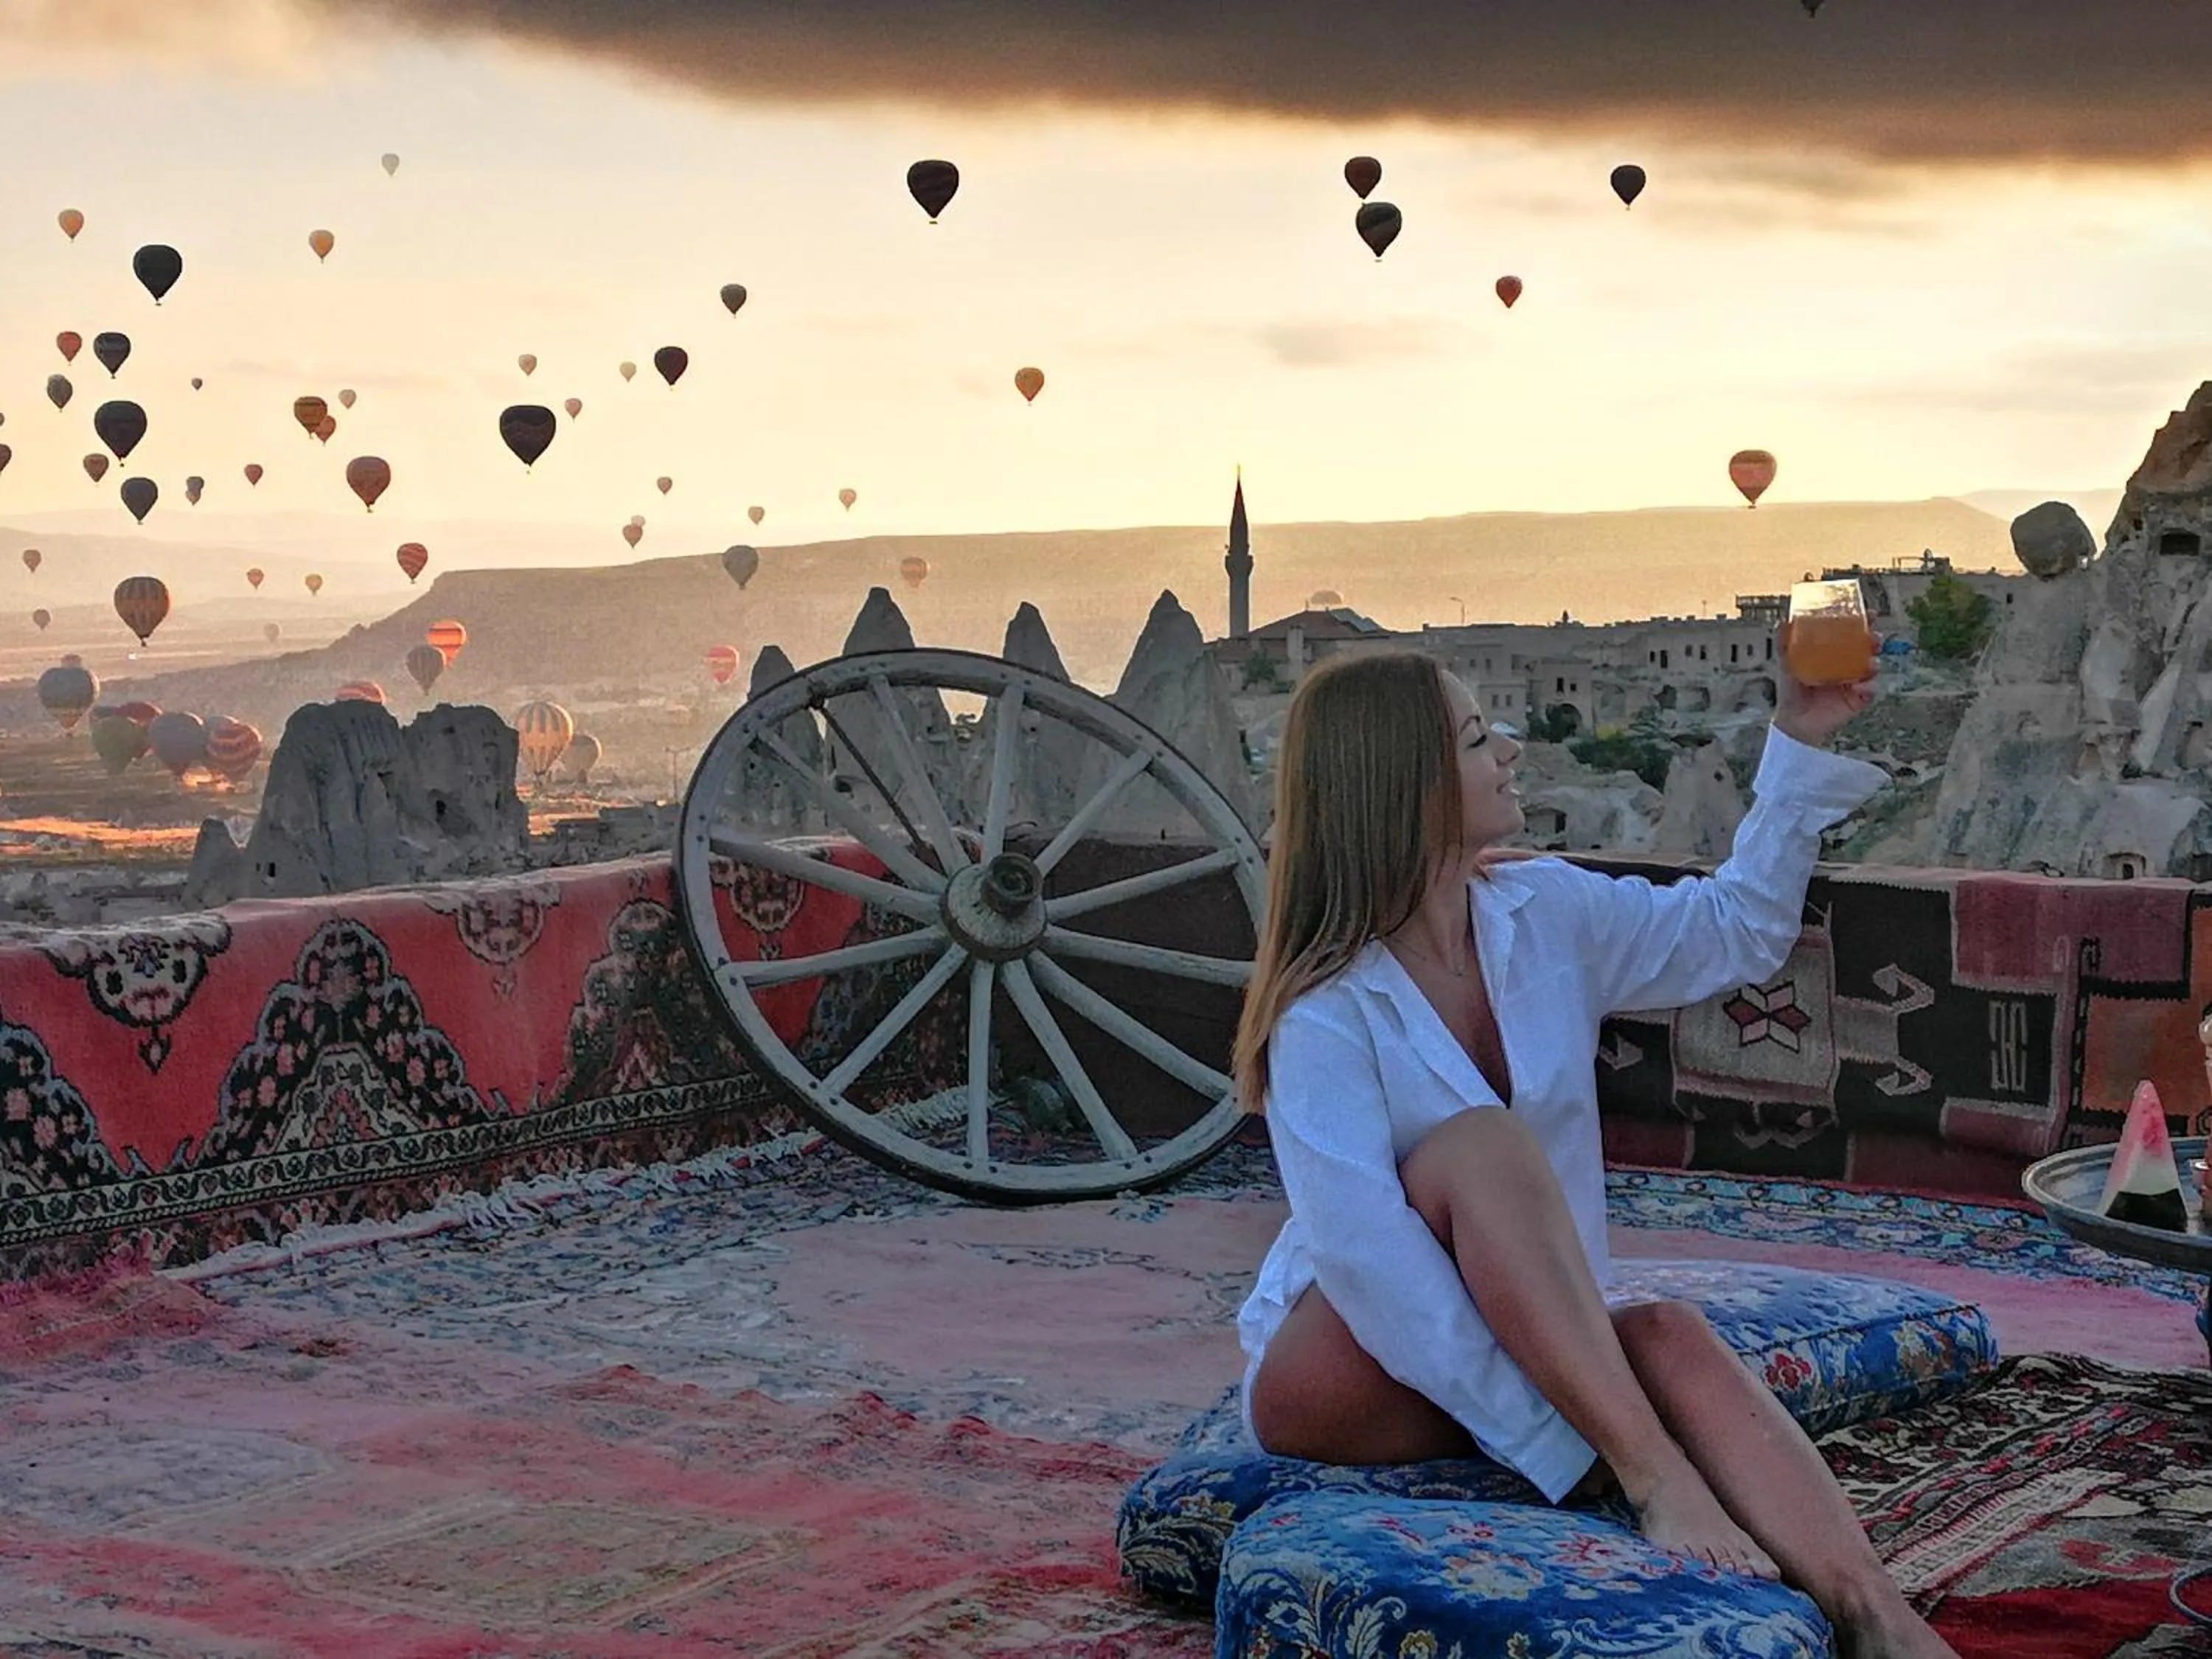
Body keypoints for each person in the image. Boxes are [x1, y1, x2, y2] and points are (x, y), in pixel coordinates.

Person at [1234, 637, 1960, 1659]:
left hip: (1527, 1335)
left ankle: (1882, 1618)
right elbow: (1369, 1265)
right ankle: (1658, 1482)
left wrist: (1798, 736)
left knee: (1667, 1332)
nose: (1514, 751)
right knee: (1482, 1148)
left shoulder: (1546, 915)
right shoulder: (1323, 1013)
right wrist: (1587, 1452)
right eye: (1482, 737)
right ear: (1407, 785)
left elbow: (1734, 931)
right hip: (1348, 1361)